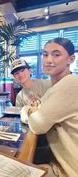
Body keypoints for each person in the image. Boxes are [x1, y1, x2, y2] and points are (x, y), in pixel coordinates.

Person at [21, 38, 78, 177]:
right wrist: (31, 110)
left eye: (56, 55)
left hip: (69, 170)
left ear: (71, 59)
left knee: (15, 170)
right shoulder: (56, 87)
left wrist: (32, 111)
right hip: (59, 162)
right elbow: (25, 112)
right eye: (45, 54)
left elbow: (37, 124)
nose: (49, 60)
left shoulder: (71, 84)